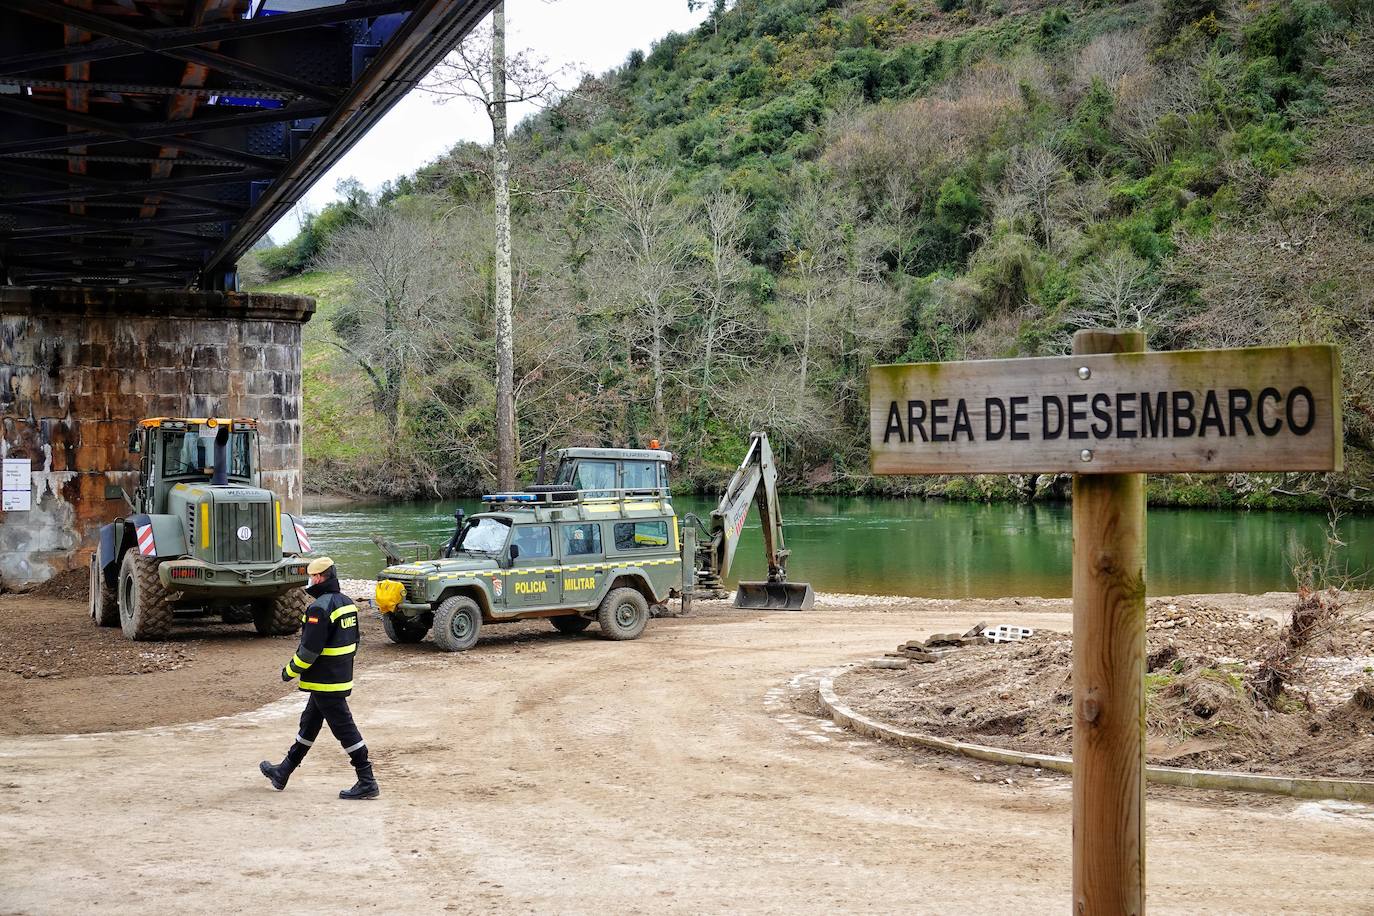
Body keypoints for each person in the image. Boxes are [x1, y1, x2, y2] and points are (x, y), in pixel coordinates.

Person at [258, 556, 379, 800]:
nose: (310, 580)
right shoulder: (347, 603)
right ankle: (283, 771)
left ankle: (367, 781)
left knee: (345, 730)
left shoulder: (318, 608)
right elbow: (355, 642)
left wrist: (289, 671)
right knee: (309, 724)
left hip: (325, 681)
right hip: (339, 677)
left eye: (313, 576)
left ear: (319, 578)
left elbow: (309, 651)